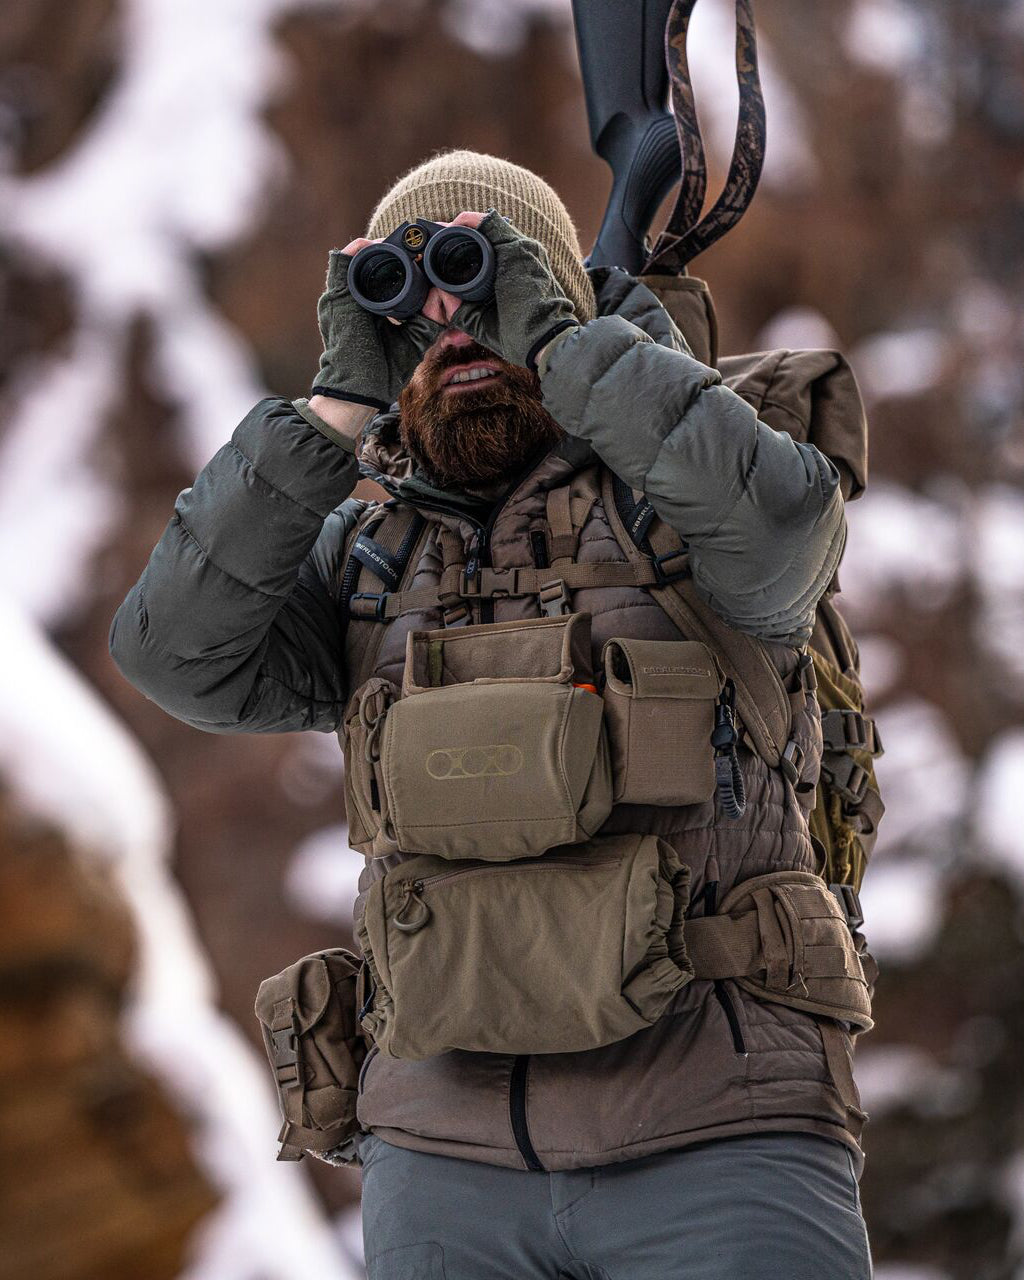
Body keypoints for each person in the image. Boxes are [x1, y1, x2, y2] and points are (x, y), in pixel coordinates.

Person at [110, 150, 873, 1279]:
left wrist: (565, 346)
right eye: (405, 304)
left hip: (720, 1133)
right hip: (441, 1161)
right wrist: (332, 410)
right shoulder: (366, 559)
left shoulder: (689, 506)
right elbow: (171, 653)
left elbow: (785, 530)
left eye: (479, 284)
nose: (449, 328)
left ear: (552, 293)